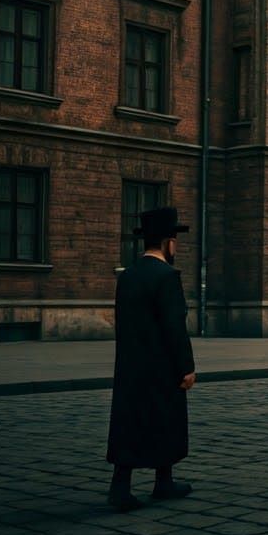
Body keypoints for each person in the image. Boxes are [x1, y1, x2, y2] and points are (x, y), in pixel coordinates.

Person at [106, 207, 197, 512]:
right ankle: (164, 481)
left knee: (129, 423)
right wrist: (186, 366)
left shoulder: (128, 276)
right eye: (176, 241)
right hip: (161, 366)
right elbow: (175, 326)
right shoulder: (167, 276)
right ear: (169, 243)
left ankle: (120, 486)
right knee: (166, 421)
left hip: (131, 365)